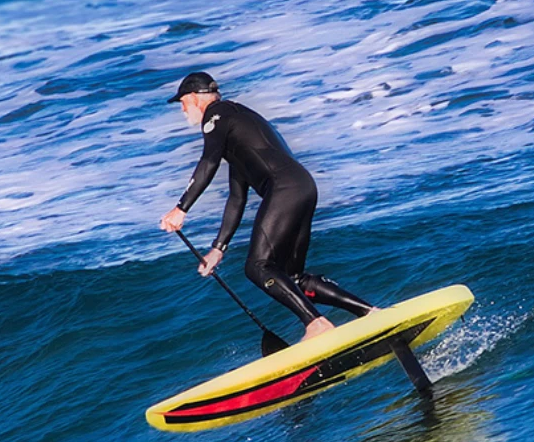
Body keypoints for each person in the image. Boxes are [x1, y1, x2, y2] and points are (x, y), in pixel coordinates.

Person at [159, 71, 377, 341]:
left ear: (194, 97)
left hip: (284, 189)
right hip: (304, 187)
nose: (182, 110)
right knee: (294, 278)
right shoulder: (237, 123)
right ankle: (369, 312)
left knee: (258, 266)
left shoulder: (216, 115)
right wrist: (218, 249)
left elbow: (208, 162)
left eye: (182, 103)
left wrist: (181, 208)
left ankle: (317, 325)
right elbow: (237, 198)